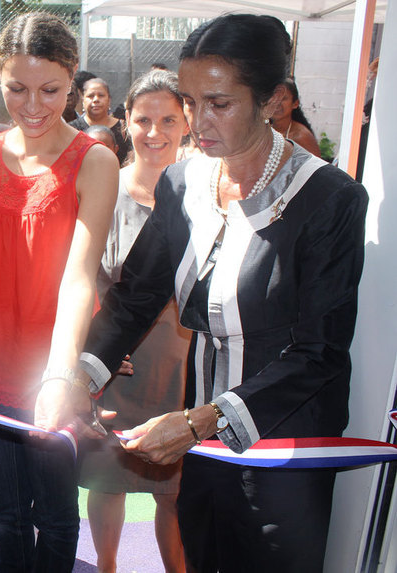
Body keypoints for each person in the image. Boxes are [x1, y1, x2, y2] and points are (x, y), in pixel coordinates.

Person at [59, 14, 367, 572]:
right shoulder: (183, 182)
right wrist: (78, 377)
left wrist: (202, 419)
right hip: (203, 451)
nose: (197, 121)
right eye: (190, 101)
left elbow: (319, 351)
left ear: (273, 100)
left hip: (283, 454)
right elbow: (135, 297)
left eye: (218, 103)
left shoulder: (329, 199)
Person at [0, 12, 118, 571]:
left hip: (50, 368)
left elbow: (80, 276)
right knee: (5, 510)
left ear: (72, 80)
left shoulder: (94, 161)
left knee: (54, 511)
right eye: (16, 89)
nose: (33, 105)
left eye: (50, 89)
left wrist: (59, 374)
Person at [78, 69, 188, 573]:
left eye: (169, 118)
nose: (155, 132)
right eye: (143, 119)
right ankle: (106, 566)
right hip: (115, 365)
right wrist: (96, 346)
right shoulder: (106, 190)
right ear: (125, 119)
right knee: (109, 480)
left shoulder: (206, 194)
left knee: (176, 492)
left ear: (186, 121)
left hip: (183, 369)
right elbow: (79, 277)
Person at [69, 77, 130, 165]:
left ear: (109, 100)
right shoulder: (72, 129)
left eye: (101, 95)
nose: (96, 100)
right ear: (83, 100)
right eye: (90, 96)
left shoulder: (124, 128)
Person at [270, 78, 320, 157]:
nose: (277, 103)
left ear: (295, 104)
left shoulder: (301, 136)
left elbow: (317, 168)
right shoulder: (264, 130)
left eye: (283, 98)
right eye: (273, 98)